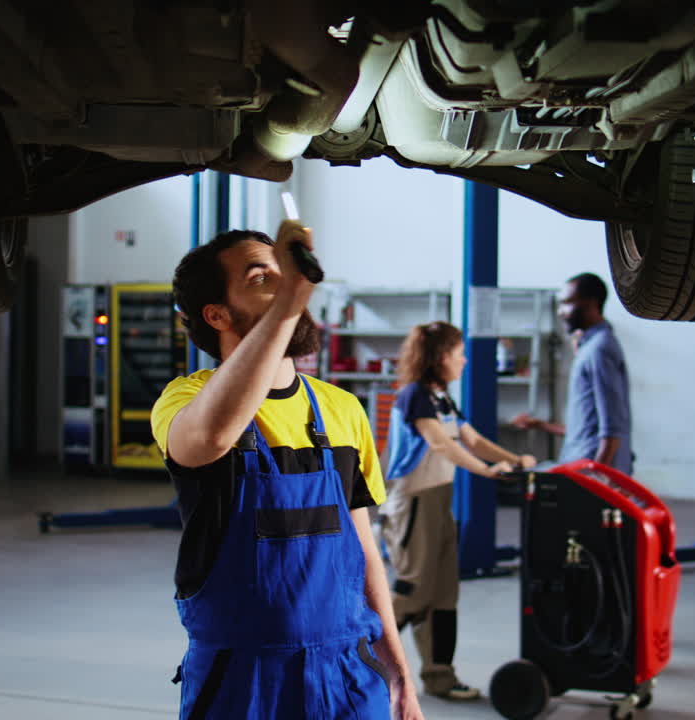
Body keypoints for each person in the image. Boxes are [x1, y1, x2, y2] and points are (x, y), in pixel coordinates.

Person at [150, 225, 423, 720]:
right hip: (243, 682)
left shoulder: (343, 410)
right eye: (261, 278)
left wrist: (399, 671)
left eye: (284, 274)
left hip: (347, 675)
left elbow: (364, 553)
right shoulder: (186, 399)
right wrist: (290, 302)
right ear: (217, 314)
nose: (282, 284)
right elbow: (208, 439)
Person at [381, 321, 537, 700]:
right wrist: (486, 471)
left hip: (440, 499)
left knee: (444, 594)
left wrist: (515, 460)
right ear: (439, 357)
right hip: (414, 500)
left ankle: (439, 677)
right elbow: (440, 444)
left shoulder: (441, 397)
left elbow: (473, 440)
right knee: (414, 590)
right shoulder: (414, 395)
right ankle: (359, 665)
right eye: (458, 353)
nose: (465, 360)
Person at [512, 272, 632, 474]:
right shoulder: (590, 347)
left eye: (566, 303)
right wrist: (541, 425)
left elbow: (612, 429)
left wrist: (595, 479)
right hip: (580, 464)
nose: (560, 312)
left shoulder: (599, 350)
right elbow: (587, 430)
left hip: (591, 472)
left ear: (591, 304)